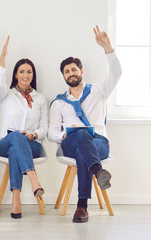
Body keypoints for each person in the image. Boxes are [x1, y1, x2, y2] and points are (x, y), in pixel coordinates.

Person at [48, 25, 122, 223]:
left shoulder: (99, 91)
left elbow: (116, 74)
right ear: (63, 76)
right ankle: (98, 172)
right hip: (70, 143)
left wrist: (108, 48)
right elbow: (51, 132)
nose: (71, 73)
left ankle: (82, 206)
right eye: (66, 71)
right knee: (79, 135)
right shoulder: (58, 102)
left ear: (81, 71)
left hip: (99, 143)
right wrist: (63, 135)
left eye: (74, 69)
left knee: (84, 146)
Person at [0, 36, 47, 219]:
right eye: (22, 71)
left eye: (29, 72)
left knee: (17, 147)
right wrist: (3, 56)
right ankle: (34, 181)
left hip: (32, 145)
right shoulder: (6, 94)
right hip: (4, 143)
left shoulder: (40, 99)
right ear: (15, 74)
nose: (26, 75)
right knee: (16, 137)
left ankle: (16, 198)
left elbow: (44, 128)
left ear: (33, 75)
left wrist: (32, 136)